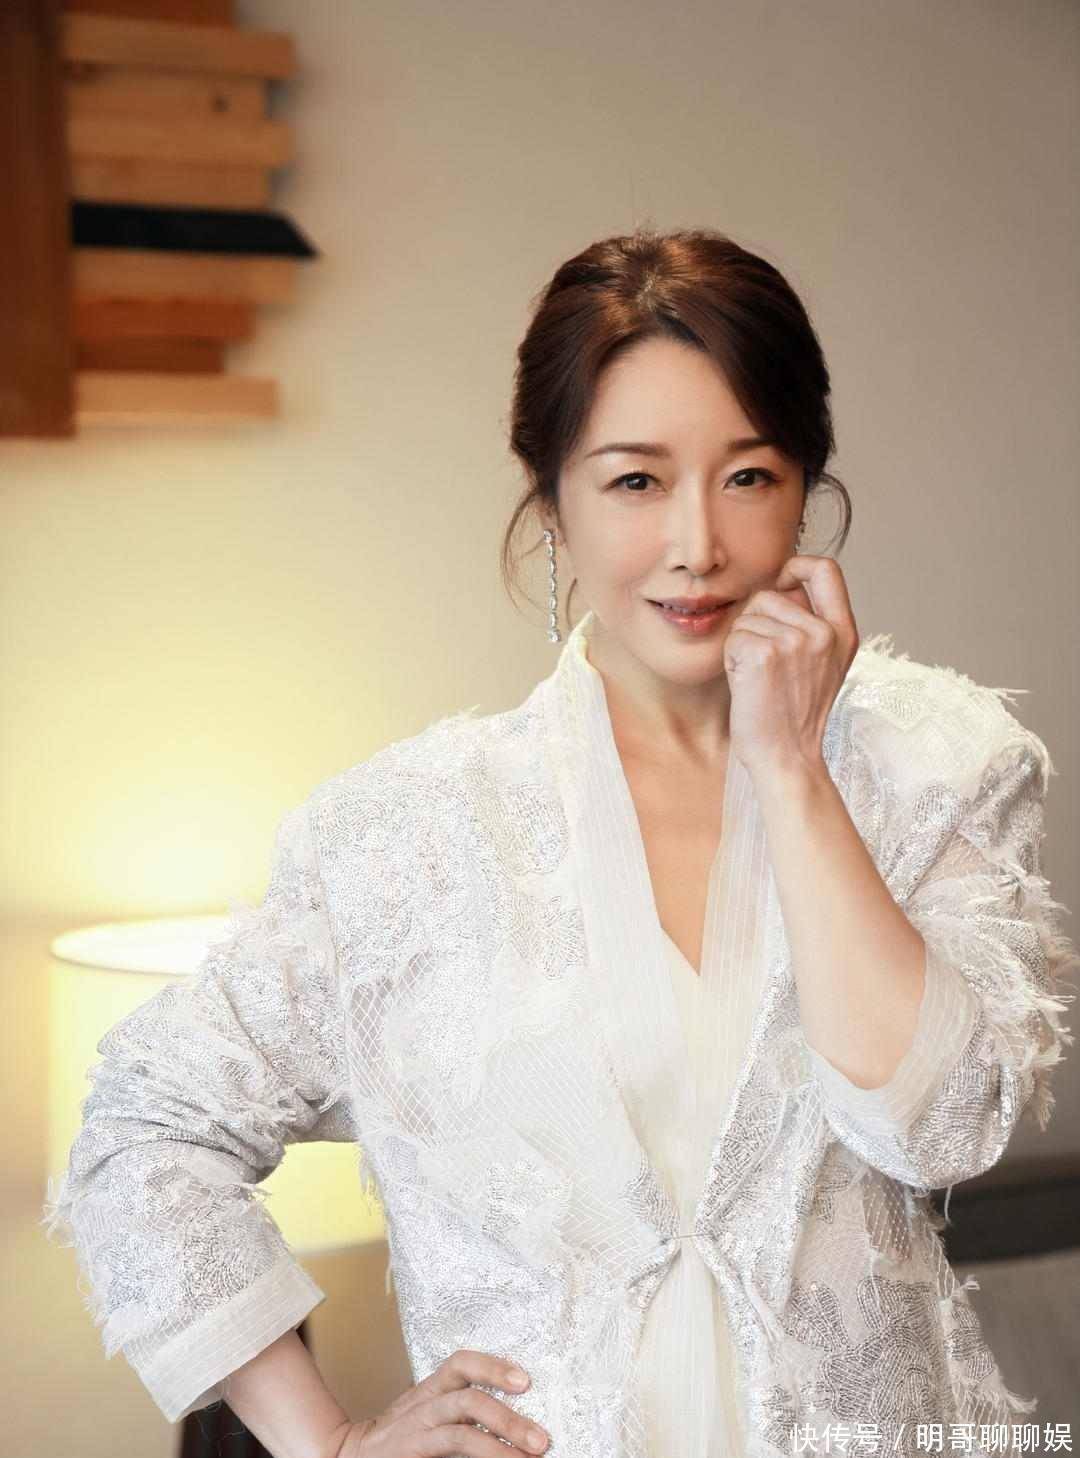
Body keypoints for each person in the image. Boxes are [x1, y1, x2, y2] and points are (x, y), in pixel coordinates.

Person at [42, 227, 1077, 1458]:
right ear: (552, 504)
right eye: (636, 482)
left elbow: (940, 1125)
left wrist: (795, 768)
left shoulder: (937, 766)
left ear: (807, 490)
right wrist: (328, 1445)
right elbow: (141, 1131)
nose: (698, 543)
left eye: (749, 476)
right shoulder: (407, 835)